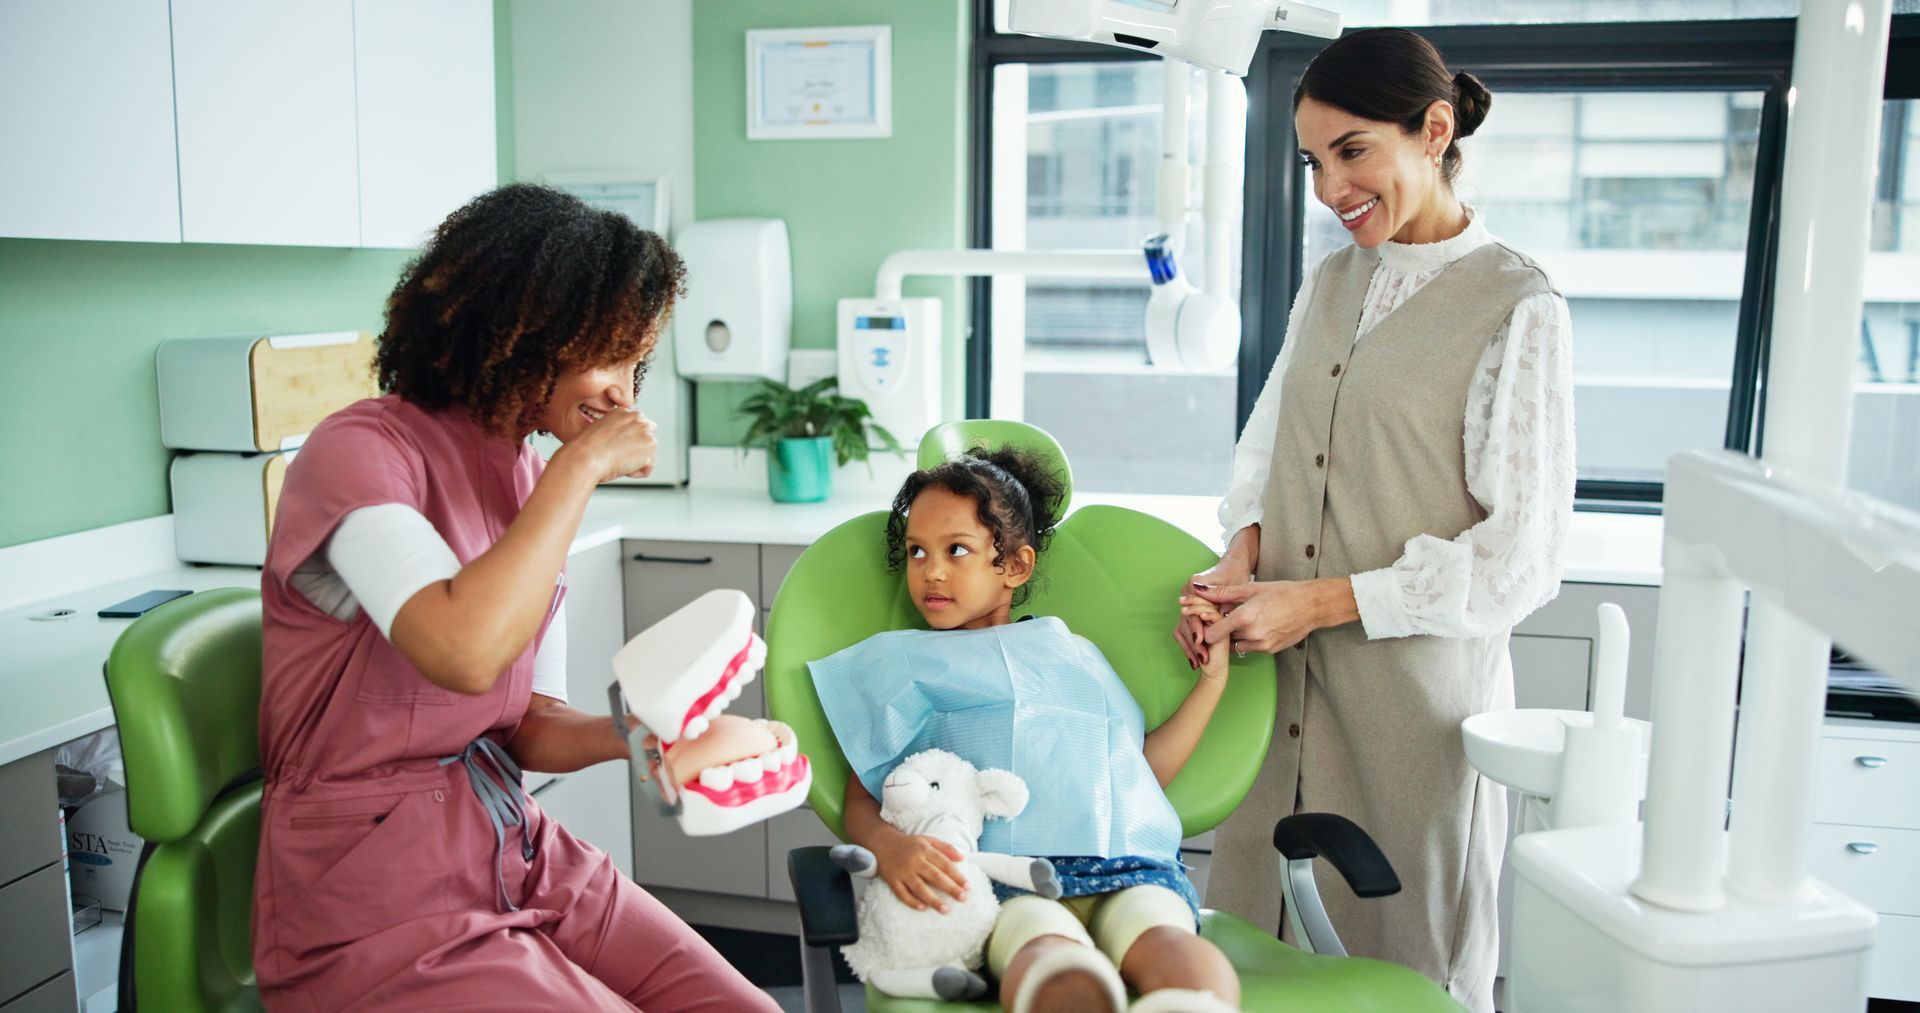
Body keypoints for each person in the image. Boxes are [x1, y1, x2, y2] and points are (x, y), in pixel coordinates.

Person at [253, 184, 779, 1011]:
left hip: (513, 848)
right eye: (608, 357)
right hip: (372, 900)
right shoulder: (358, 452)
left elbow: (524, 721)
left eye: (635, 363)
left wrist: (640, 736)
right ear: (526, 336)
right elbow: (462, 650)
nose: (625, 394)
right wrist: (579, 471)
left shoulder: (527, 474)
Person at [1171, 28, 1576, 1013]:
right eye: (1313, 160)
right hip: (1278, 705)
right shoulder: (1330, 282)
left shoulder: (1517, 305)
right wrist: (1240, 555)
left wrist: (1319, 600)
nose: (1328, 187)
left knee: (1397, 961)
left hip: (1412, 715)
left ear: (1433, 130)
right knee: (1244, 962)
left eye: (1353, 150)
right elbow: (1268, 454)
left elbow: (1520, 556)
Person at [810, 448, 1241, 1013]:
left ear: (1014, 566)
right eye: (917, 552)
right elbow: (863, 792)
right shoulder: (903, 664)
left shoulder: (1075, 655)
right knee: (1049, 954)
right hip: (1004, 882)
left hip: (1124, 865)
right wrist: (891, 848)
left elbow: (1138, 771)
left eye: (956, 550)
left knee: (1165, 941)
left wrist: (1210, 683)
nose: (931, 570)